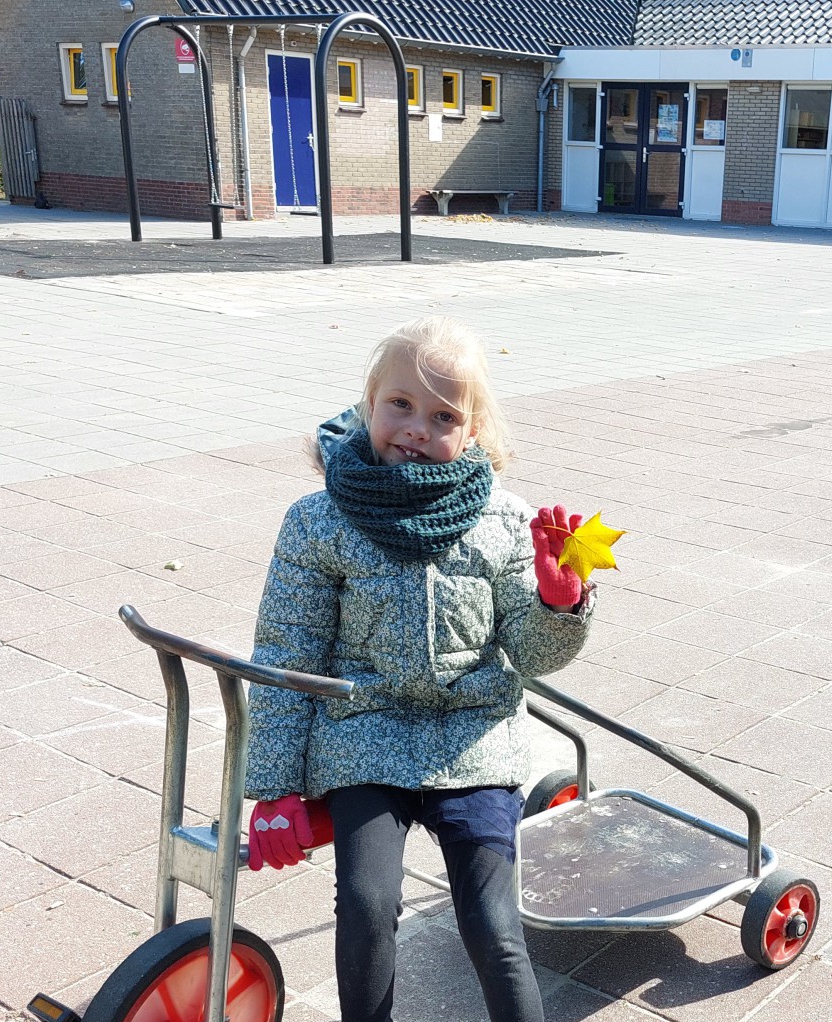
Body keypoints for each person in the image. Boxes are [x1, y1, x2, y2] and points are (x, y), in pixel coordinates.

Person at [243, 316, 595, 1022]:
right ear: (369, 402)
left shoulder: (503, 520)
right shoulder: (319, 521)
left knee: (493, 922)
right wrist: (276, 786)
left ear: (472, 431)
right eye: (400, 403)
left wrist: (559, 604)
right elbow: (286, 652)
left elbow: (531, 655)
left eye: (443, 416)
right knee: (367, 904)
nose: (415, 428)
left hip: (473, 733)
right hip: (364, 732)